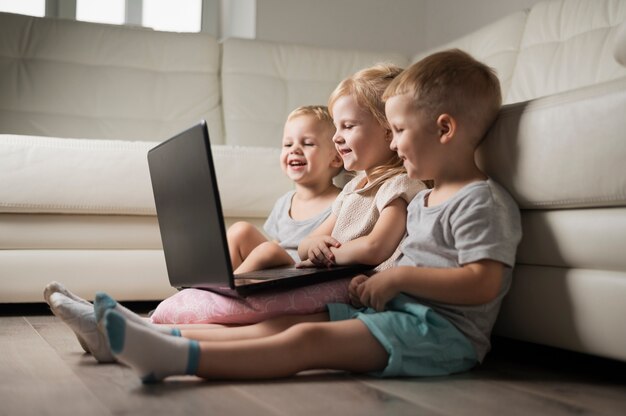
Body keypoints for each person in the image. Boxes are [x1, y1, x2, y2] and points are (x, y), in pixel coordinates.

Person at [91, 50, 521, 382]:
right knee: (282, 323)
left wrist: (397, 279)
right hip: (396, 313)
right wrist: (382, 282)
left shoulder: (480, 200)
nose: (395, 143)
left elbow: (483, 281)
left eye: (401, 132)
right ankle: (147, 337)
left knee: (305, 339)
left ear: (444, 130)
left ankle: (177, 358)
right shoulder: (429, 197)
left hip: (443, 336)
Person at [45, 63, 427, 366]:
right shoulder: (352, 189)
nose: (339, 136)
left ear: (389, 132)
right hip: (325, 275)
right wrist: (315, 244)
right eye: (337, 128)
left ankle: (131, 329)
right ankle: (121, 328)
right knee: (268, 310)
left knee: (275, 324)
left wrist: (331, 253)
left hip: (350, 285)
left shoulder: (396, 186)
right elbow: (315, 239)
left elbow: (378, 247)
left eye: (347, 127)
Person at [228, 105, 343, 274]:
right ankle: (220, 283)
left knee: (269, 250)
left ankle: (223, 291)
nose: (294, 149)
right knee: (240, 230)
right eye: (288, 144)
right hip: (279, 272)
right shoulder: (285, 202)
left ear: (336, 159)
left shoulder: (341, 202)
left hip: (303, 273)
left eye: (308, 143)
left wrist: (268, 252)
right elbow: (277, 244)